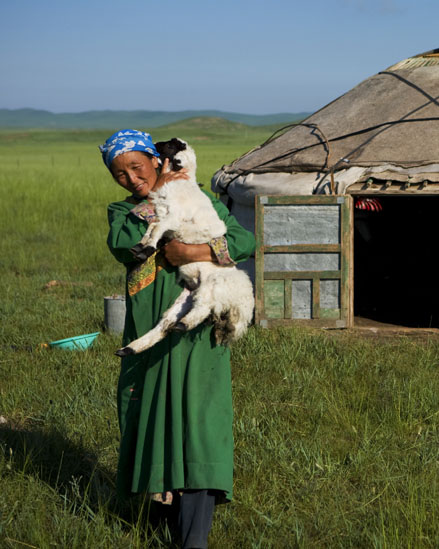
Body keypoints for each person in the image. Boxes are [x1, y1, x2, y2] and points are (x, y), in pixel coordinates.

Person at [100, 129, 256, 548]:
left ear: (158, 161)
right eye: (120, 173)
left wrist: (194, 253)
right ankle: (159, 524)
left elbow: (243, 239)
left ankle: (193, 539)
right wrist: (158, 206)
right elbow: (122, 243)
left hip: (198, 339)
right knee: (152, 421)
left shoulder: (197, 199)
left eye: (137, 166)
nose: (131, 179)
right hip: (148, 339)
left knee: (199, 426)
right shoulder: (124, 212)